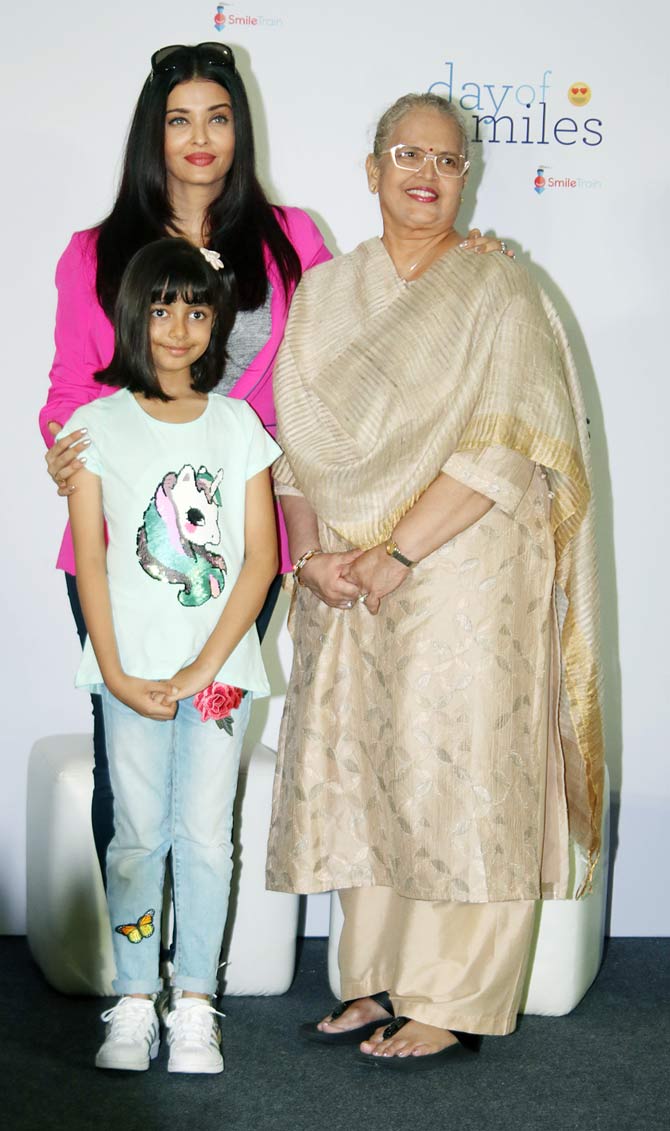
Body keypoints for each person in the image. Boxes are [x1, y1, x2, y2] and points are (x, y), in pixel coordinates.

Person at [40, 40, 510, 884]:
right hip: (120, 558)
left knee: (209, 755)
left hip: (244, 559)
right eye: (179, 120)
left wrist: (463, 266)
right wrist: (71, 454)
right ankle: (132, 978)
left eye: (218, 119)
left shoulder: (292, 241)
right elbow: (69, 389)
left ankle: (192, 993)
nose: (199, 138)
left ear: (239, 131)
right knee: (130, 765)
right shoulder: (94, 252)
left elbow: (369, 334)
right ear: (154, 133)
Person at [267, 92, 604, 1070]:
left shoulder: (500, 290)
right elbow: (296, 449)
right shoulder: (328, 294)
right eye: (406, 154)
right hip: (345, 573)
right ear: (371, 169)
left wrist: (399, 551)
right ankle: (372, 976)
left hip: (463, 566)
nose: (425, 173)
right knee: (366, 766)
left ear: (469, 176)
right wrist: (311, 555)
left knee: (459, 771)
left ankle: (453, 996)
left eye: (447, 160)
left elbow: (509, 449)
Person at [61, 237, 279, 1073]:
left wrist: (202, 669)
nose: (179, 327)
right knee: (136, 837)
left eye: (196, 309)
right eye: (161, 308)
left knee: (203, 835)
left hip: (218, 675)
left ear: (216, 319)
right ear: (132, 315)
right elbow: (89, 558)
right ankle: (132, 998)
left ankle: (194, 1001)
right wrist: (115, 669)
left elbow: (260, 558)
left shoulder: (237, 424)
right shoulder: (94, 426)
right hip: (130, 674)